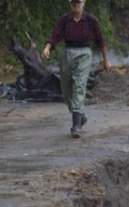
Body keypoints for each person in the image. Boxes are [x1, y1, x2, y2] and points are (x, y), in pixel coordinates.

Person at [42, 0, 111, 138]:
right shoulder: (65, 20)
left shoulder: (91, 20)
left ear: (83, 3)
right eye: (73, 3)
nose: (76, 5)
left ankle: (76, 126)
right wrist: (47, 47)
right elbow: (55, 35)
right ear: (70, 4)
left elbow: (101, 41)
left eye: (78, 3)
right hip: (68, 53)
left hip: (84, 53)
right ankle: (81, 116)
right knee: (66, 93)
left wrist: (106, 60)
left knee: (79, 87)